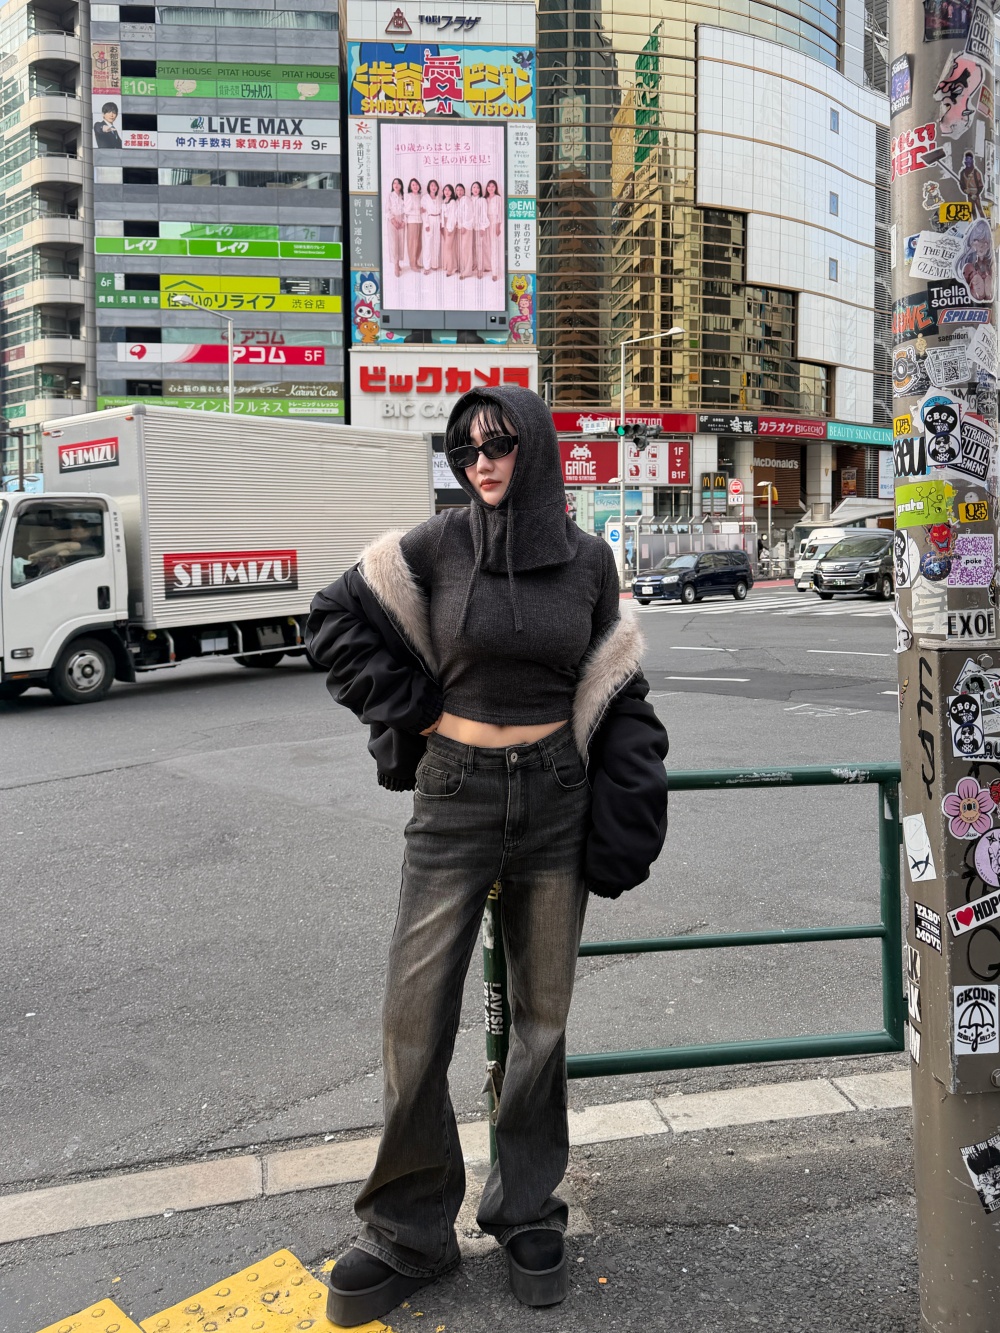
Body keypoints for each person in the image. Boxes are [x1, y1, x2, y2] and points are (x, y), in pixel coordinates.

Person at [307, 386, 669, 1328]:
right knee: (414, 1016)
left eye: (499, 443)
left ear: (533, 447)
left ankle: (526, 1209)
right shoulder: (437, 543)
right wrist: (416, 711)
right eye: (465, 449)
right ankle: (408, 1228)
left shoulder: (589, 561)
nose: (482, 462)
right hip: (455, 794)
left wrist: (633, 797)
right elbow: (332, 617)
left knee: (543, 1020)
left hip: (555, 795)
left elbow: (616, 681)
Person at [385, 177, 406, 279]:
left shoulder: (404, 196)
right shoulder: (390, 195)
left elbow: (407, 210)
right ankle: (395, 266)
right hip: (392, 220)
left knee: (400, 242)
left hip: (401, 220)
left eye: (398, 183)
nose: (396, 185)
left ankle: (398, 263)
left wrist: (404, 221)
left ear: (401, 186)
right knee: (393, 243)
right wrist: (393, 220)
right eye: (394, 183)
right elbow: (387, 210)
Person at [421, 179, 443, 275]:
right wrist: (426, 224)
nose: (433, 187)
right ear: (429, 187)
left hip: (437, 220)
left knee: (436, 242)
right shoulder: (425, 198)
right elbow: (423, 212)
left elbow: (442, 212)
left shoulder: (439, 198)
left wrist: (441, 223)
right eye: (432, 185)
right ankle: (427, 266)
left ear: (437, 187)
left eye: (435, 185)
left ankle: (435, 264)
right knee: (428, 244)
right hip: (429, 220)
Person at [485, 179, 504, 282]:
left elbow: (500, 213)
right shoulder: (484, 199)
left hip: (494, 222)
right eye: (489, 186)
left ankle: (495, 273)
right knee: (486, 247)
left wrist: (498, 226)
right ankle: (487, 266)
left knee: (494, 248)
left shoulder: (498, 198)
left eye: (493, 186)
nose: (491, 188)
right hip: (485, 224)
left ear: (495, 188)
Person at [469, 180, 488, 280]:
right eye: (474, 187)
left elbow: (484, 214)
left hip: (478, 227)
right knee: (471, 247)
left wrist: (482, 227)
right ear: (471, 190)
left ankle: (480, 269)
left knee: (479, 247)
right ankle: (474, 264)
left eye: (477, 187)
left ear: (480, 190)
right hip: (469, 227)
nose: (475, 189)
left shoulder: (482, 200)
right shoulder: (469, 200)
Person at [455, 182, 475, 279]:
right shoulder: (457, 201)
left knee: (466, 249)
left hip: (466, 227)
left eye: (461, 190)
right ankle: (462, 268)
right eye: (457, 190)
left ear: (464, 191)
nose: (459, 192)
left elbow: (469, 214)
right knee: (461, 249)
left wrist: (464, 226)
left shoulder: (466, 199)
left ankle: (467, 272)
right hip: (459, 227)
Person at [404, 178, 423, 275]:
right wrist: (417, 210)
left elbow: (422, 209)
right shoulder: (408, 196)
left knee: (419, 243)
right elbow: (406, 210)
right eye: (413, 185)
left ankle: (416, 261)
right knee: (412, 243)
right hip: (412, 221)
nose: (415, 186)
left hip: (420, 221)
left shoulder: (420, 196)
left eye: (416, 184)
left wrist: (421, 211)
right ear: (410, 187)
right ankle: (412, 264)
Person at [441, 183, 458, 277]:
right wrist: (442, 226)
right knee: (448, 247)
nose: (447, 192)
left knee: (448, 247)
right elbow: (442, 215)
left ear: (452, 192)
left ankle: (450, 269)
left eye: (449, 190)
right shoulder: (444, 201)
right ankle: (450, 266)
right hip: (445, 224)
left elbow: (453, 216)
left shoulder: (452, 202)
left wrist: (450, 228)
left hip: (450, 225)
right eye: (445, 190)